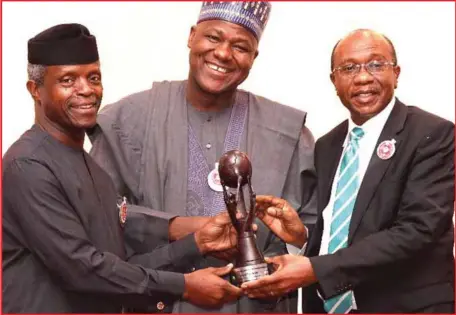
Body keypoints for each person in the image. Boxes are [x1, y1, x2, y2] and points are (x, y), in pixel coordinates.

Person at [89, 1, 317, 313]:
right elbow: (97, 219)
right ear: (192, 36)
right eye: (213, 38)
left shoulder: (287, 132)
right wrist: (181, 228)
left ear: (254, 57)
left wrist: (295, 242)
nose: (223, 53)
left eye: (240, 46)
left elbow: (309, 237)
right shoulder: (126, 121)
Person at [2, 23, 244, 313]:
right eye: (68, 80)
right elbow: (82, 269)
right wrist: (185, 286)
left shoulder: (93, 169)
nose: (86, 90)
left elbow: (118, 267)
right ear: (35, 90)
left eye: (93, 78)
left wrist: (197, 244)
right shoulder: (28, 165)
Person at [241, 29, 455, 313]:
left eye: (376, 64)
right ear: (334, 80)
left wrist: (316, 269)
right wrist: (301, 238)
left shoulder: (432, 135)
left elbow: (417, 231)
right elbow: (346, 231)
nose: (363, 77)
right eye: (349, 68)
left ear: (397, 73)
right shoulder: (327, 145)